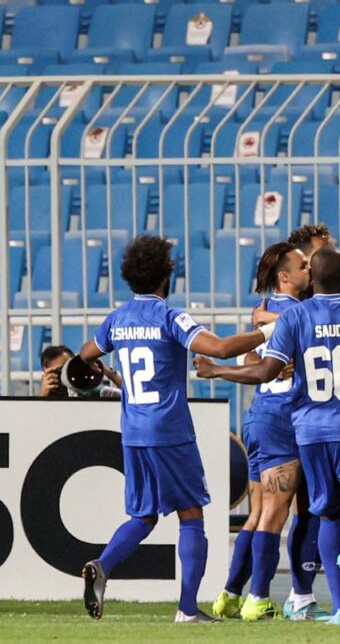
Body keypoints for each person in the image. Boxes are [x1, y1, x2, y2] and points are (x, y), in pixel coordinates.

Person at [72, 235, 273, 623]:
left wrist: (101, 371)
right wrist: (269, 331)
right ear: (167, 275)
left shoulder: (118, 318)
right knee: (191, 514)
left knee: (143, 516)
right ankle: (187, 608)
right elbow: (220, 348)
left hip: (133, 431)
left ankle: (103, 565)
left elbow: (84, 354)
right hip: (169, 430)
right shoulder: (170, 317)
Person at [194, 248, 340, 626]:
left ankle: (338, 610)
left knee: (327, 516)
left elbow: (265, 371)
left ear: (314, 279)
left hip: (309, 433)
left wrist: (218, 372)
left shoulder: (294, 317)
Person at [212, 241, 330, 622]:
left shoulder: (267, 314)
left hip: (259, 415)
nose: (310, 271)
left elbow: (251, 359)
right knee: (276, 515)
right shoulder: (301, 314)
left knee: (258, 512)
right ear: (285, 277)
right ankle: (258, 597)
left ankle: (230, 594)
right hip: (285, 418)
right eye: (302, 266)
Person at [39, 345, 121, 398]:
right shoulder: (44, 399)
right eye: (59, 371)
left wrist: (108, 371)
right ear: (45, 376)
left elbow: (132, 394)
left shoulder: (97, 394)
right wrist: (42, 396)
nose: (65, 374)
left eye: (68, 368)